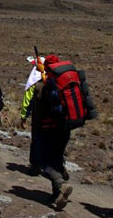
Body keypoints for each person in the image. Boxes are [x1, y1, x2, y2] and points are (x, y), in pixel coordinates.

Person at [28, 54, 75, 210]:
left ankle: (60, 185)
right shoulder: (66, 83)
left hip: (47, 129)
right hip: (64, 128)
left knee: (44, 162)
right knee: (57, 157)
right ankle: (57, 195)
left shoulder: (42, 86)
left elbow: (38, 112)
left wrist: (35, 130)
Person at [20, 56, 45, 176]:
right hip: (56, 119)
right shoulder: (54, 80)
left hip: (39, 118)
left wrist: (24, 117)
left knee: (36, 141)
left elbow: (27, 102)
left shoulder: (34, 83)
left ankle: (35, 166)